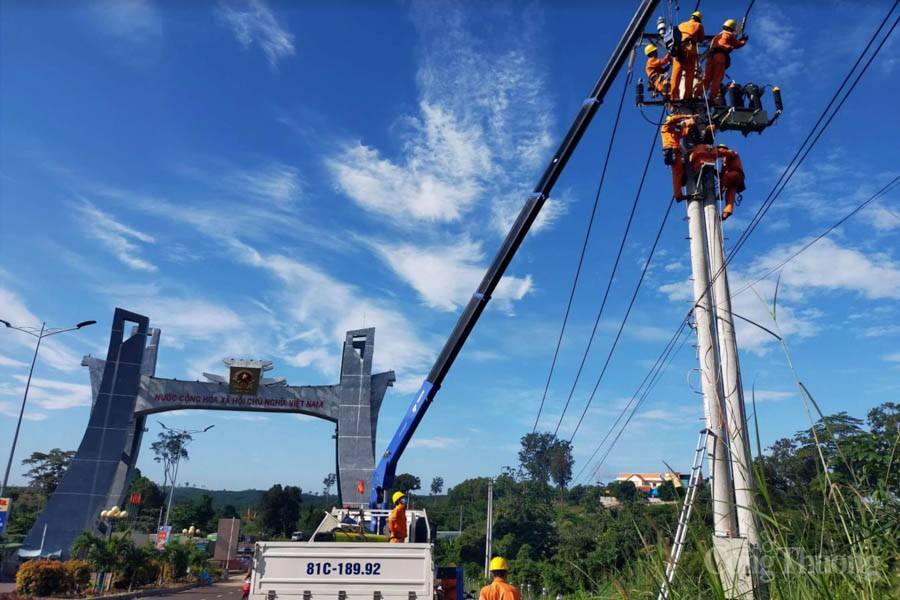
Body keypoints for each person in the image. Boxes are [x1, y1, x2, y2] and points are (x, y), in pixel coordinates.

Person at [702, 19, 748, 102]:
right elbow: (737, 44)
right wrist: (743, 40)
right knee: (717, 78)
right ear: (731, 29)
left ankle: (698, 94)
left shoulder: (716, 37)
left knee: (706, 78)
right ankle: (713, 98)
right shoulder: (728, 34)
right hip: (719, 57)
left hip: (710, 58)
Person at [660, 113, 696, 200]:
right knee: (677, 175)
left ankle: (680, 189)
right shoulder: (664, 128)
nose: (675, 125)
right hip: (671, 152)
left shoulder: (674, 133)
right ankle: (678, 195)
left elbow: (683, 133)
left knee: (680, 172)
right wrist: (686, 116)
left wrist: (691, 122)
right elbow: (672, 119)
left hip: (677, 154)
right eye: (674, 124)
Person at [670, 11, 705, 101]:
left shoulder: (681, 25)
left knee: (676, 74)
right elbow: (701, 39)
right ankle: (687, 97)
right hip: (690, 50)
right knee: (690, 75)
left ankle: (673, 97)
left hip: (679, 50)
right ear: (699, 19)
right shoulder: (698, 25)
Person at [716, 143, 745, 220]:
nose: (720, 150)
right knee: (729, 195)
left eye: (720, 148)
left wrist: (713, 152)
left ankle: (720, 192)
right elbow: (722, 175)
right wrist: (714, 172)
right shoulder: (724, 163)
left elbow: (726, 153)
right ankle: (727, 212)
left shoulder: (732, 153)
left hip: (736, 175)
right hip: (733, 181)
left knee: (726, 177)